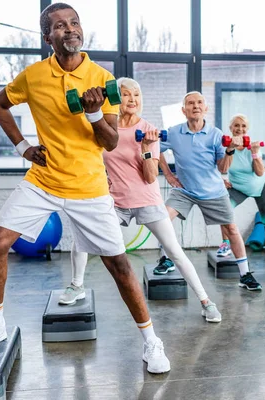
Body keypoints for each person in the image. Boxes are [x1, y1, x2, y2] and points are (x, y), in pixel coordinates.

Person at [0, 3, 170, 374]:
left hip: (88, 186)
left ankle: (151, 341)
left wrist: (93, 113)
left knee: (119, 265)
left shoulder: (102, 78)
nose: (70, 29)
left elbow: (109, 142)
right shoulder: (33, 77)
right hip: (43, 180)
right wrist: (23, 148)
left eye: (75, 23)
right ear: (49, 37)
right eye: (60, 25)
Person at [63, 78, 221, 323]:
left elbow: (149, 178)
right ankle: (76, 285)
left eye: (136, 95)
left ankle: (205, 301)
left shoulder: (148, 128)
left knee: (175, 252)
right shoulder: (105, 128)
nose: (132, 100)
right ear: (115, 98)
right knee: (81, 238)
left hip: (147, 199)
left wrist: (147, 146)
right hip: (115, 202)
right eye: (126, 95)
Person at [157, 92, 262, 291]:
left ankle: (245, 275)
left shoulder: (215, 135)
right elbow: (155, 147)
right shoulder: (174, 132)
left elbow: (222, 168)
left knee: (231, 229)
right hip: (185, 190)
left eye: (199, 103)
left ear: (206, 109)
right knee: (162, 219)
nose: (195, 106)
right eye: (190, 103)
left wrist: (230, 150)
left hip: (213, 191)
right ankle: (166, 259)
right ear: (183, 110)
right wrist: (169, 175)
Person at [218, 114, 265, 268]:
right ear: (231, 128)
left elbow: (259, 173)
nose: (239, 129)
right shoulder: (226, 147)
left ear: (247, 129)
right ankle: (225, 244)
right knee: (224, 210)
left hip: (260, 184)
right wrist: (220, 180)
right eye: (236, 125)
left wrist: (255, 153)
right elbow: (220, 167)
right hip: (237, 187)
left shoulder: (252, 146)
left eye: (243, 126)